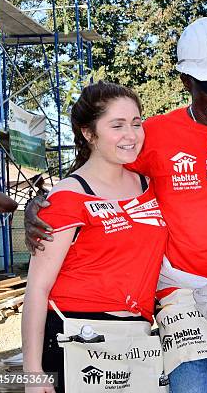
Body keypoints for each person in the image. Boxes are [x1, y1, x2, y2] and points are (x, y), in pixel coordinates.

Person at [24, 18, 207, 393]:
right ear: (186, 82)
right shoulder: (152, 135)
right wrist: (45, 201)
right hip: (182, 305)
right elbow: (102, 168)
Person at [22, 81, 168, 393]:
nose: (131, 135)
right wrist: (32, 373)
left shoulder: (151, 186)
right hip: (75, 337)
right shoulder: (65, 198)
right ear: (89, 134)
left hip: (134, 337)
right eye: (117, 125)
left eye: (136, 123)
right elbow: (37, 288)